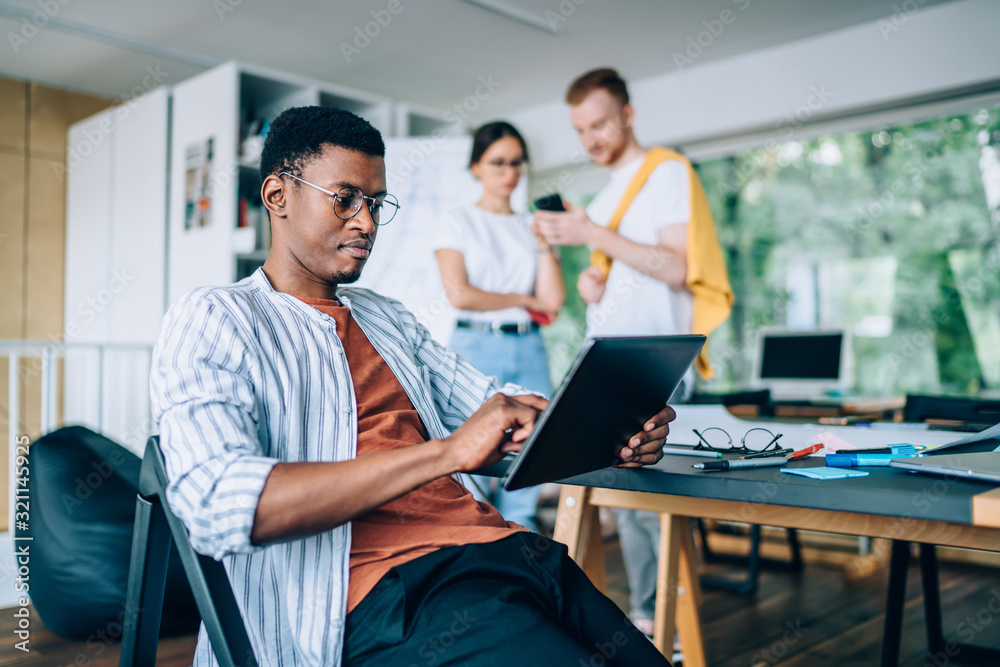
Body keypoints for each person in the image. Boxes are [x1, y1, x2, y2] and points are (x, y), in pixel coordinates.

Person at [150, 105, 675, 667]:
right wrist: (445, 453)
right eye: (345, 198)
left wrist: (606, 429)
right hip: (390, 594)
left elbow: (492, 408)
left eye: (376, 204)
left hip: (512, 556)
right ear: (277, 196)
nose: (366, 223)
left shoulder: (385, 317)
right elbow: (218, 503)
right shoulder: (217, 317)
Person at [535, 68, 733, 638]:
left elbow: (677, 266)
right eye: (581, 130)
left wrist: (595, 238)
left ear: (627, 114)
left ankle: (657, 626)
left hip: (655, 360)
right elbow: (631, 266)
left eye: (600, 123)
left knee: (649, 498)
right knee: (624, 499)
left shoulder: (667, 171)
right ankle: (644, 621)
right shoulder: (606, 194)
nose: (591, 138)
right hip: (610, 358)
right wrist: (596, 285)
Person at [433, 121, 564, 531]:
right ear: (476, 166)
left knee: (533, 448)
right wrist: (524, 300)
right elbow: (460, 293)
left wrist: (543, 242)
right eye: (498, 163)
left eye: (516, 164)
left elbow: (554, 300)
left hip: (528, 345)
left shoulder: (531, 225)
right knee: (470, 452)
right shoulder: (456, 220)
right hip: (475, 342)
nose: (509, 173)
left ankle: (523, 544)